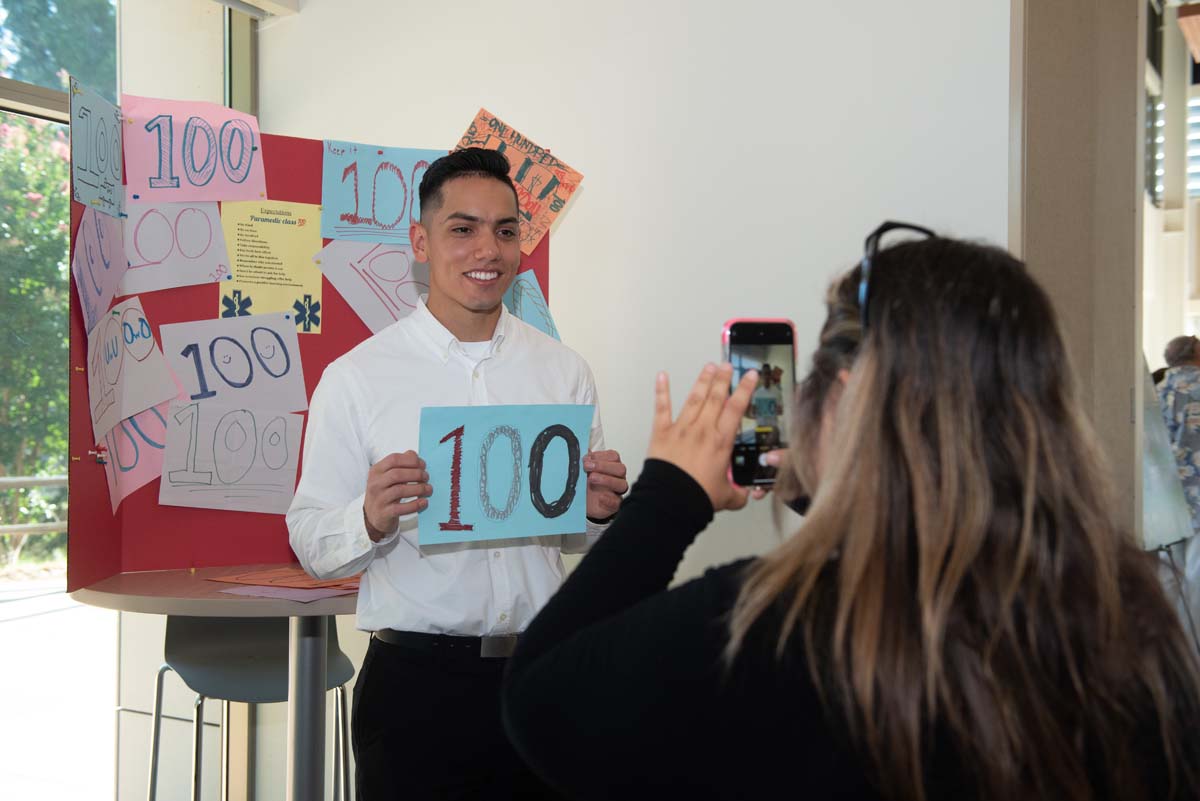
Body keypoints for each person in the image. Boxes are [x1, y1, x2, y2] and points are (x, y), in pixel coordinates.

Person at [502, 234, 1200, 801]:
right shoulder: (1132, 620)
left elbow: (541, 704)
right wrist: (826, 488)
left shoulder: (773, 626)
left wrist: (671, 493)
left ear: (841, 396)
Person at [287, 148, 628, 800]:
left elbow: (577, 540)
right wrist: (368, 516)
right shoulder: (358, 377)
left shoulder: (563, 372)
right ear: (422, 241)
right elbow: (309, 538)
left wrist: (601, 511)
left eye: (506, 230)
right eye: (463, 228)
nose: (488, 249)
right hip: (417, 689)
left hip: (541, 674)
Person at [1159, 334, 1200, 537]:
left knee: (1171, 558)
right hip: (1197, 485)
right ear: (1196, 352)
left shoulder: (1155, 389)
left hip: (1163, 488)